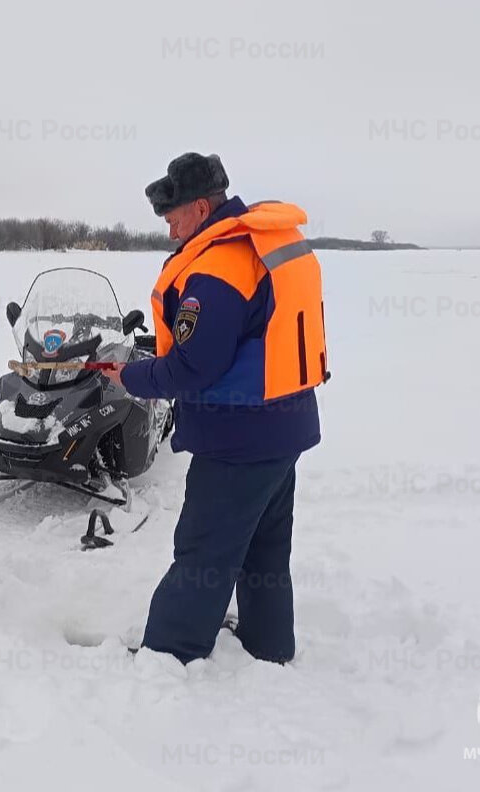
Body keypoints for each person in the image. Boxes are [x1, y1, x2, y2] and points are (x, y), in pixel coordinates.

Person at [103, 153, 328, 664]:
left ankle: (169, 655)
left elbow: (193, 368)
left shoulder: (217, 266)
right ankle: (269, 645)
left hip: (237, 438)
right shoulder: (266, 243)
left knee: (203, 551)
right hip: (283, 427)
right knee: (263, 551)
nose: (170, 232)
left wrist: (131, 375)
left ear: (201, 208)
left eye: (174, 219)